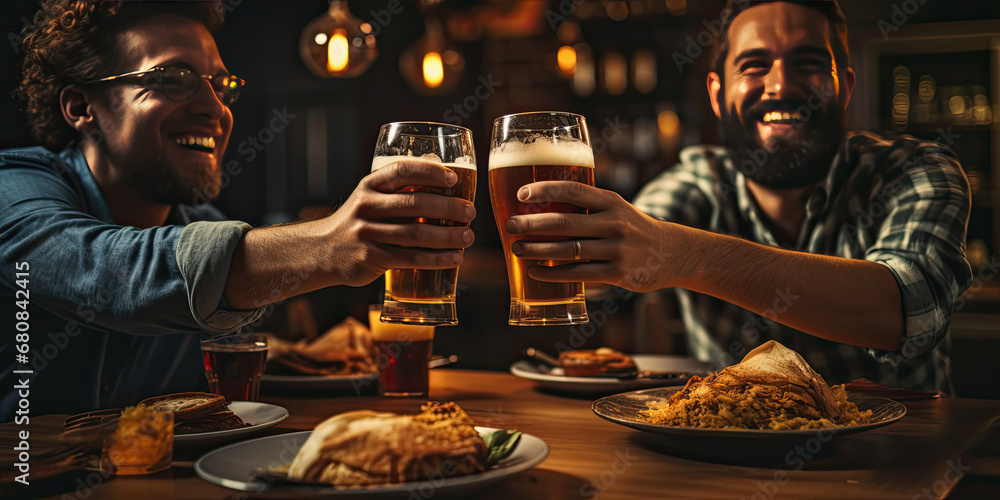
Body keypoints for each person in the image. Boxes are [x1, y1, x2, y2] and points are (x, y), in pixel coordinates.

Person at [0, 0, 475, 420]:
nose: (215, 106)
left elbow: (235, 324)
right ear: (82, 107)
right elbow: (109, 271)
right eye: (172, 78)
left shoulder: (202, 224)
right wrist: (328, 244)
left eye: (221, 84)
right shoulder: (12, 192)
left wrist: (301, 348)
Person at [506, 0, 970, 393]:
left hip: (896, 466)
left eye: (808, 63)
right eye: (754, 65)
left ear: (845, 87)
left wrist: (681, 253)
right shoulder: (695, 185)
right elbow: (601, 265)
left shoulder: (915, 171)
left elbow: (909, 311)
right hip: (729, 465)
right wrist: (443, 244)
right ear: (717, 92)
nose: (781, 85)